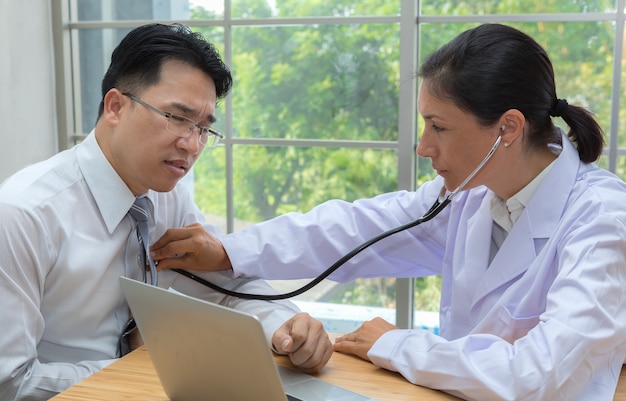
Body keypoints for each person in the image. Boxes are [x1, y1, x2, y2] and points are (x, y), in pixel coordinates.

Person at [150, 23, 626, 400]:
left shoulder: (602, 220)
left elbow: (538, 376)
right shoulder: (472, 194)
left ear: (507, 129)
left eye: (438, 127)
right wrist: (228, 250)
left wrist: (397, 343)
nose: (423, 147)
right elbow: (354, 229)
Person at [0, 23, 332, 401]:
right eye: (177, 118)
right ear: (115, 107)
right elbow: (10, 382)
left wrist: (286, 326)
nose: (191, 145)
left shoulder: (165, 196)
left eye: (204, 129)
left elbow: (225, 286)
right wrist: (145, 367)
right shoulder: (23, 215)